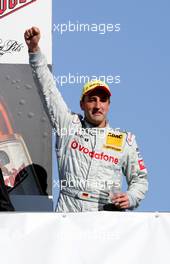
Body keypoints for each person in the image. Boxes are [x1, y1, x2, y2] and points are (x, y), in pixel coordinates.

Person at [24, 27, 148, 212]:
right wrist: (35, 51)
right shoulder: (69, 125)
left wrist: (130, 197)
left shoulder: (124, 140)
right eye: (92, 100)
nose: (98, 106)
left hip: (107, 213)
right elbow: (48, 91)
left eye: (103, 100)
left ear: (109, 104)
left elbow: (140, 178)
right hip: (70, 210)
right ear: (82, 104)